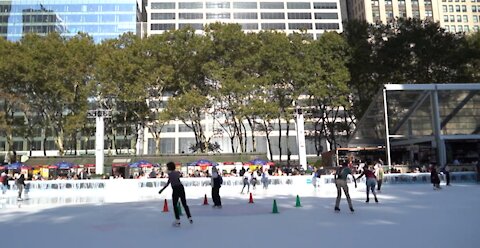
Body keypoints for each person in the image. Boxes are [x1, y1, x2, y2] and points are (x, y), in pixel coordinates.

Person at [158, 162, 193, 227]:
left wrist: (161, 190)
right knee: (184, 203)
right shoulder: (177, 173)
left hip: (175, 189)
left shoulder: (170, 174)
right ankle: (189, 217)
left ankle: (177, 220)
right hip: (181, 188)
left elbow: (168, 183)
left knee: (175, 205)